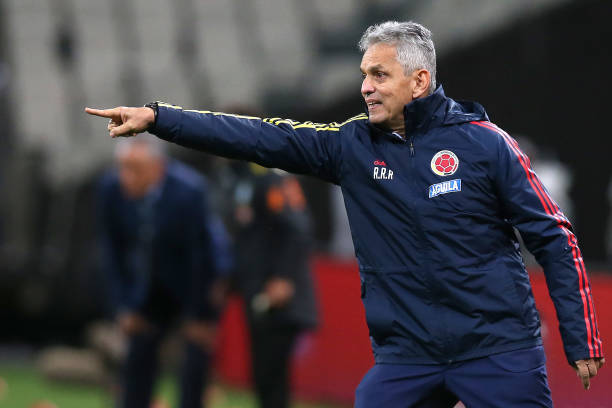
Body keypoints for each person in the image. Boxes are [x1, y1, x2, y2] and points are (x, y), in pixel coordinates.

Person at [86, 20, 604, 407]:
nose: (365, 87)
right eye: (363, 75)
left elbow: (555, 237)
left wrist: (580, 336)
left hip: (497, 348)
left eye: (380, 75)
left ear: (419, 81)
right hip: (409, 356)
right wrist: (159, 119)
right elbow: (263, 137)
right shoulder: (351, 145)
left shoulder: (486, 146)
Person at [97, 136, 222, 408]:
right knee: (137, 359)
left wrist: (199, 314)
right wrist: (125, 306)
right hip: (146, 288)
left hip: (191, 283)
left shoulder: (190, 192)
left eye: (135, 169)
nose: (126, 177)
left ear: (158, 167)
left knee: (194, 363)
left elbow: (200, 256)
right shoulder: (110, 189)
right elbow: (112, 253)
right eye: (123, 167)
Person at [226, 161, 318, 408]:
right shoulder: (238, 177)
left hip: (279, 298)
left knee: (271, 375)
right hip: (256, 291)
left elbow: (298, 227)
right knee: (262, 375)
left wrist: (283, 277)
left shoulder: (271, 177)